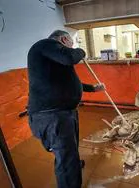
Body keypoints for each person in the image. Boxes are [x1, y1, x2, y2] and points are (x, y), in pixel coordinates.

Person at [27, 30, 105, 188]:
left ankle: (73, 164)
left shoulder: (53, 57)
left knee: (70, 149)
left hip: (63, 113)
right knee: (66, 159)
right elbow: (70, 57)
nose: (72, 47)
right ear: (64, 39)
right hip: (52, 115)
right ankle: (70, 174)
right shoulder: (45, 45)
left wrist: (93, 88)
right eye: (71, 43)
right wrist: (81, 50)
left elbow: (69, 83)